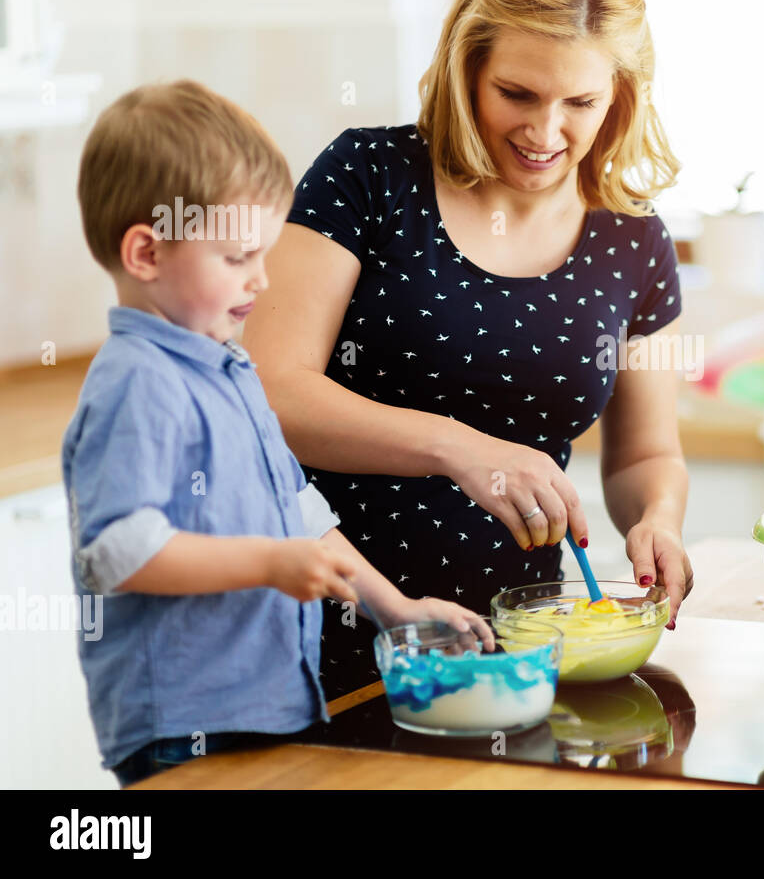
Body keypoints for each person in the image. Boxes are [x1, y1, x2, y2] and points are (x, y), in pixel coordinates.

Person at [242, 0, 694, 701]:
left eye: (580, 101)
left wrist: (656, 519)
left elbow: (643, 456)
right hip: (324, 629)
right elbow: (266, 391)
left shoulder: (635, 238)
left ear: (620, 93)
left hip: (516, 654)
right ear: (466, 67)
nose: (545, 132)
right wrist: (458, 447)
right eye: (516, 93)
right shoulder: (367, 177)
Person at [63, 79, 492, 787]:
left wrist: (396, 610)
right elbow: (120, 552)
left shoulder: (228, 367)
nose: (262, 281)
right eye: (237, 259)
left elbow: (302, 514)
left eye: (263, 255)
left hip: (269, 707)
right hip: (182, 725)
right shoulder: (139, 380)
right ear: (145, 254)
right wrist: (268, 564)